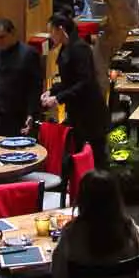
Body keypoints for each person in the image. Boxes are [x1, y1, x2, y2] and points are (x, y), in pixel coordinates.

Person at [41, 14, 110, 168]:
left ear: (61, 29)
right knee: (80, 155)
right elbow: (68, 81)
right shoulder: (65, 47)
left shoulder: (80, 48)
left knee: (96, 158)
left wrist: (58, 98)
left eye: (51, 31)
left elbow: (84, 82)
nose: (49, 35)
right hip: (77, 112)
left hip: (90, 113)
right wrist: (51, 91)